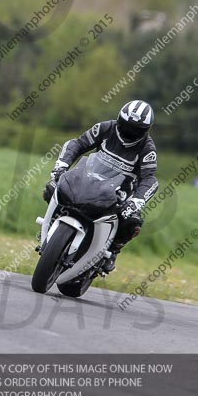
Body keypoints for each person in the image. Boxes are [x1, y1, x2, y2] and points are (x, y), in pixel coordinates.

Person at [43, 99, 158, 273]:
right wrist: (61, 165)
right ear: (119, 120)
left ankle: (112, 251)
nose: (129, 132)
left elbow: (150, 179)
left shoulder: (147, 148)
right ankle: (52, 227)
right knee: (51, 187)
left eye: (136, 130)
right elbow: (78, 144)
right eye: (126, 126)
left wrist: (136, 201)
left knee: (132, 221)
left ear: (145, 131)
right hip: (89, 179)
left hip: (120, 193)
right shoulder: (105, 128)